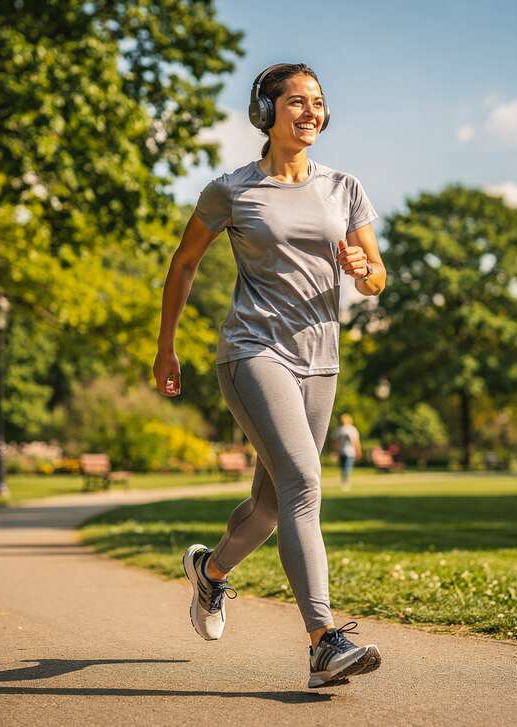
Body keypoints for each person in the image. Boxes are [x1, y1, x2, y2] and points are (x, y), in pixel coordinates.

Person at [152, 62, 385, 689]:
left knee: (271, 505)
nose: (311, 113)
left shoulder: (345, 188)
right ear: (266, 112)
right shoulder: (232, 191)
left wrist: (363, 268)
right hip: (253, 352)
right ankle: (322, 641)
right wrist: (166, 346)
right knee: (306, 483)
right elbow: (184, 264)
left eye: (319, 103)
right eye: (296, 102)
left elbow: (375, 277)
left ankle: (211, 573)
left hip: (320, 359)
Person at [332, 413, 363, 489]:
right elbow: (356, 442)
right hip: (350, 452)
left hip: (342, 451)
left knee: (344, 468)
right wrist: (358, 451)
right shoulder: (352, 429)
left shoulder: (339, 430)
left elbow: (335, 442)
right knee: (347, 468)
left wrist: (335, 451)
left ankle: (344, 482)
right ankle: (346, 482)